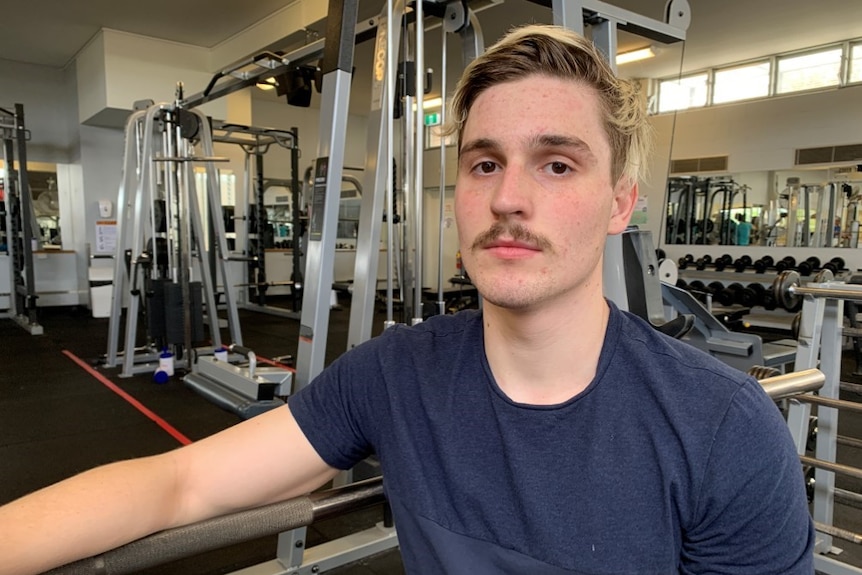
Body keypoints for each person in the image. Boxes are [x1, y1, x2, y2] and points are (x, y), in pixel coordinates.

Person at [0, 24, 814, 575]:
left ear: (619, 203)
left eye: (557, 164)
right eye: (485, 163)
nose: (508, 199)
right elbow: (181, 485)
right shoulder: (396, 376)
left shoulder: (722, 428)